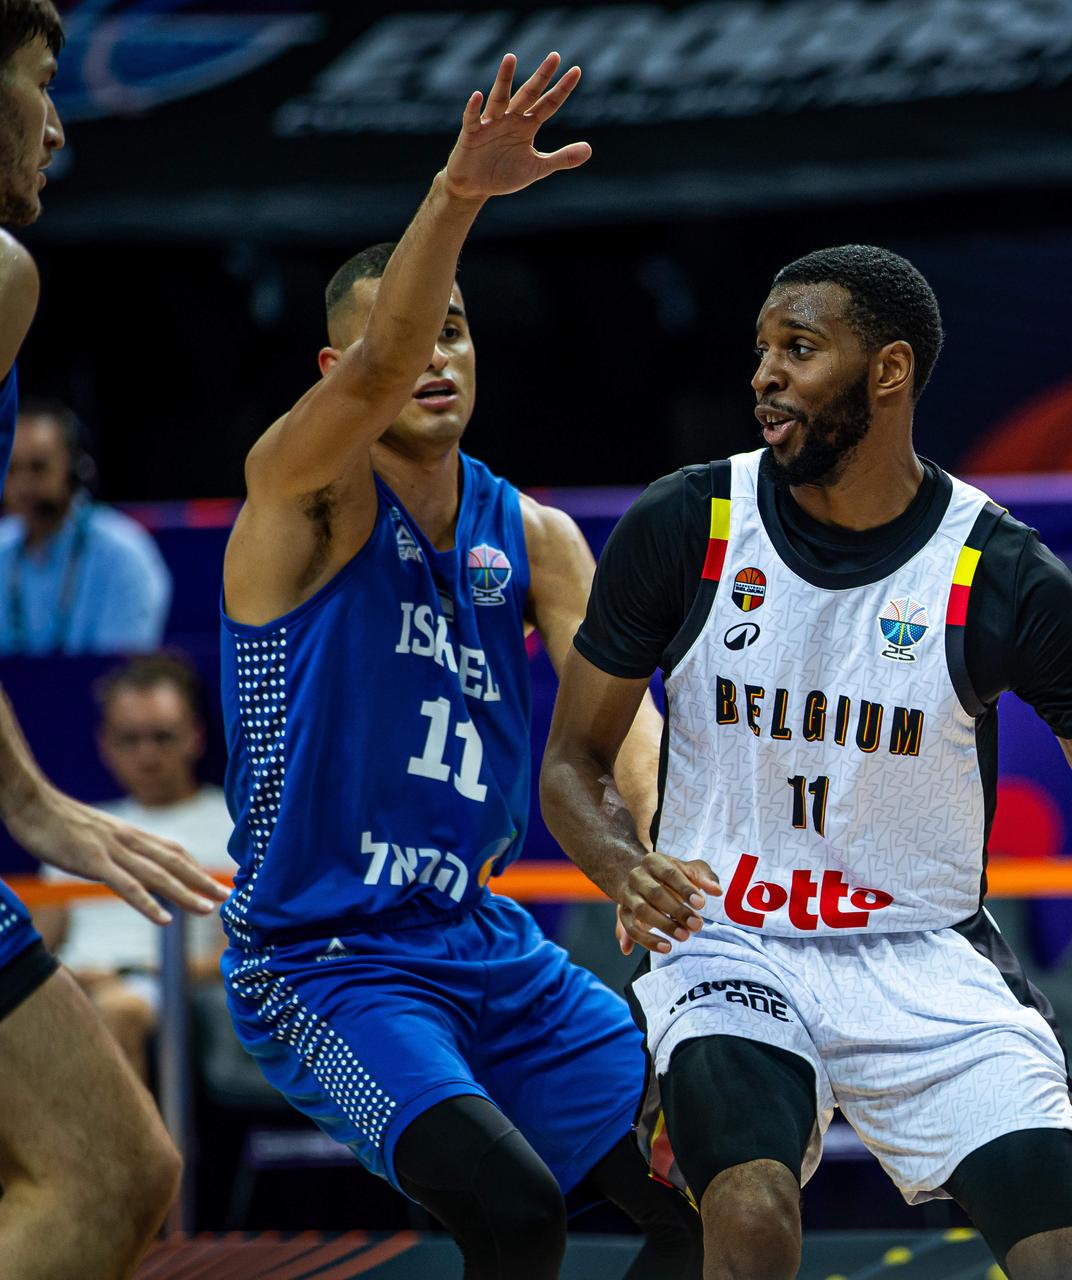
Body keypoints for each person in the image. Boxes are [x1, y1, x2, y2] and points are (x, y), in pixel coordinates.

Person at [540, 244, 1072, 1280]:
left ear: (888, 371)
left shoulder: (1004, 575)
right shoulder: (691, 523)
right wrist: (623, 861)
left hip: (926, 956)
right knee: (755, 1216)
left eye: (800, 349)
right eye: (761, 349)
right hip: (732, 941)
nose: (765, 373)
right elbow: (573, 762)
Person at [217, 53, 695, 1280]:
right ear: (335, 373)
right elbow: (380, 371)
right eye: (407, 335)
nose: (433, 353)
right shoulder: (303, 496)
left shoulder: (532, 534)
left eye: (457, 330)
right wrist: (459, 192)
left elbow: (611, 725)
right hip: (320, 956)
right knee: (515, 1209)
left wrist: (648, 857)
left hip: (480, 936)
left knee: (716, 1181)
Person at [0, 6, 231, 1277]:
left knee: (114, 1168)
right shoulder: (1, 271)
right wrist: (34, 804)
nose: (59, 119)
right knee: (108, 1170)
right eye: (38, 81)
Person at [30, 654, 235, 1083]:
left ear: (195, 737)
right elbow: (38, 946)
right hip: (71, 982)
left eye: (162, 737)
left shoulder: (234, 827)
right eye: (130, 739)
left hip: (164, 987)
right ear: (106, 744)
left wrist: (130, 972)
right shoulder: (74, 830)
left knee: (116, 1010)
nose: (147, 755)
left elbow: (238, 954)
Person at [0, 397, 172, 653]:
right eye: (11, 470)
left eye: (38, 468)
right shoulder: (2, 548)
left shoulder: (123, 554)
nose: (23, 485)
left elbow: (122, 672)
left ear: (77, 468)